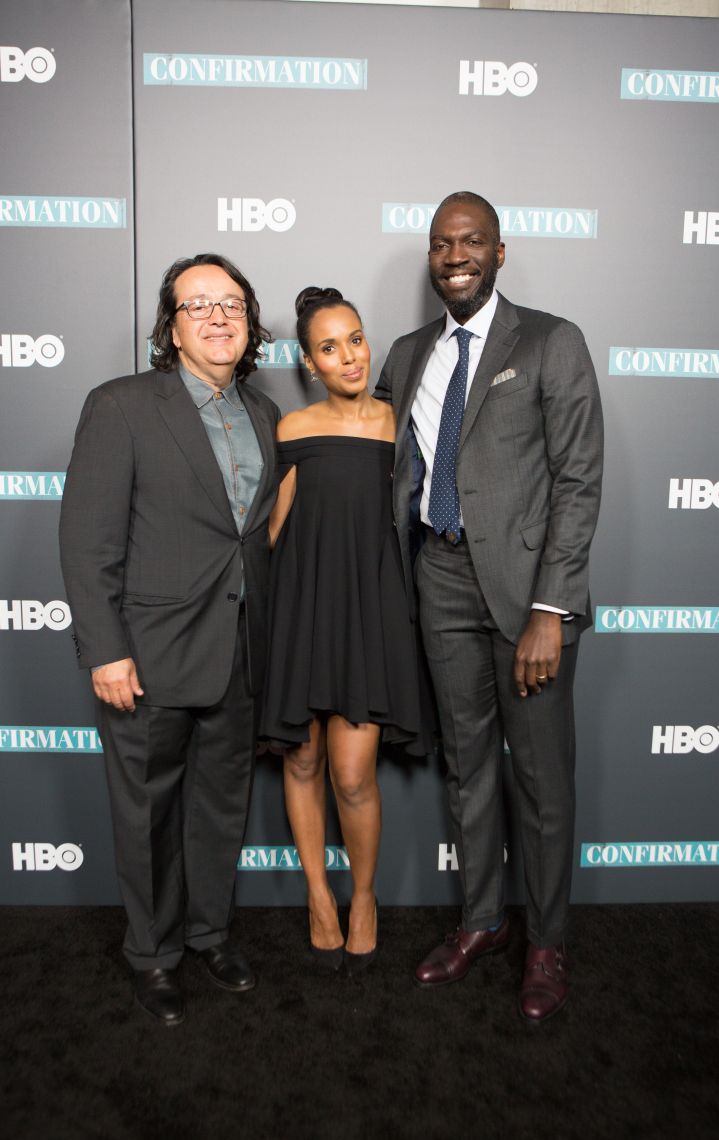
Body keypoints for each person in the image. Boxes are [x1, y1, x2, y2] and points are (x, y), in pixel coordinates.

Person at [375, 191, 603, 1021]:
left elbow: (579, 480)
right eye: (443, 243)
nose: (456, 256)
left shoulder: (550, 341)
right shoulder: (406, 355)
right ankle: (482, 922)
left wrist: (552, 608)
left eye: (472, 241)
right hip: (439, 579)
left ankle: (546, 943)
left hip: (527, 594)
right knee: (468, 768)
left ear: (499, 253)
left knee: (540, 780)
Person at [59, 253, 280, 1026]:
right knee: (148, 813)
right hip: (147, 656)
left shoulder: (265, 415)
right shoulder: (121, 406)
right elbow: (87, 540)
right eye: (199, 305)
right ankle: (153, 954)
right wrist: (105, 649)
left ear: (250, 324)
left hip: (240, 652)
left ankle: (208, 933)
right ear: (172, 328)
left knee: (220, 809)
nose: (219, 317)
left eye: (233, 305)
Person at [262, 287, 424, 975]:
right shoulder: (292, 430)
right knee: (301, 761)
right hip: (301, 611)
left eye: (355, 339)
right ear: (309, 363)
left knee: (353, 775)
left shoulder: (400, 424)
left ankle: (363, 896)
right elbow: (274, 532)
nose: (349, 356)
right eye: (329, 348)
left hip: (369, 614)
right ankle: (317, 895)